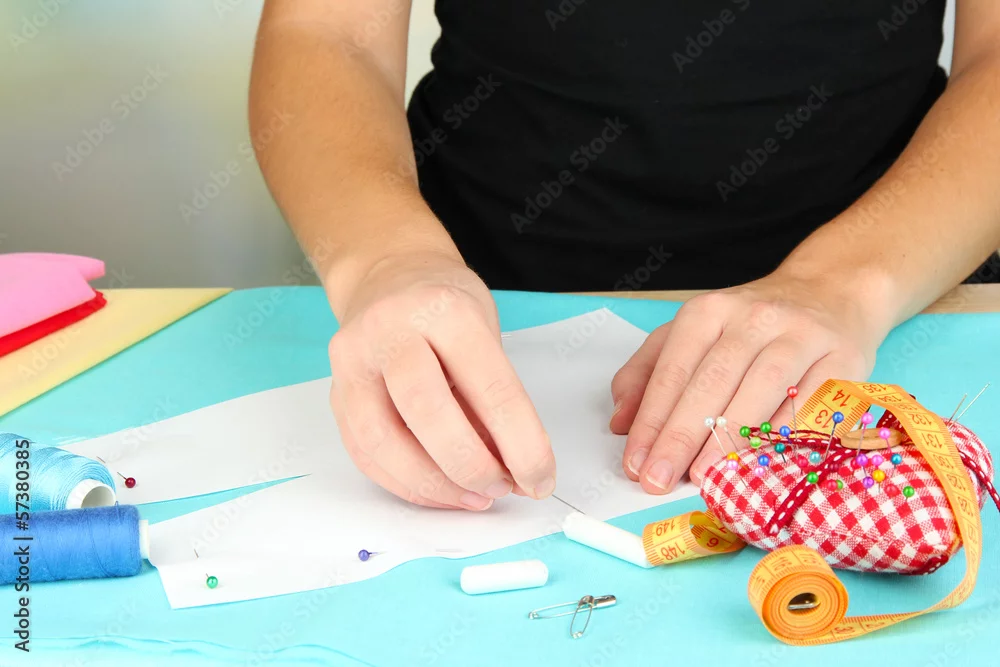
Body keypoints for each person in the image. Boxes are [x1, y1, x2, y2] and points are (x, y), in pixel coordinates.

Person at [248, 0, 1000, 510]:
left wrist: (843, 284)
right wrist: (384, 261)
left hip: (902, 282)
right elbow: (324, 31)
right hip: (475, 287)